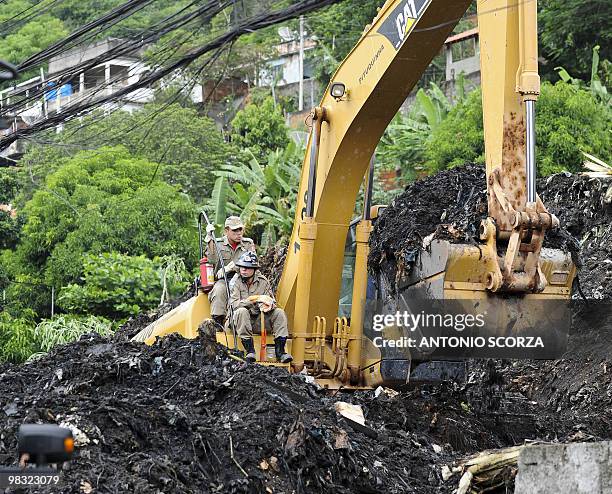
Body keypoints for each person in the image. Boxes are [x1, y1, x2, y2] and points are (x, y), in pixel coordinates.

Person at [229, 251, 292, 364]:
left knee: (279, 313)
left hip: (259, 320)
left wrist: (269, 305)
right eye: (242, 267)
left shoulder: (263, 282)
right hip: (239, 322)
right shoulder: (235, 282)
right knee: (241, 311)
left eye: (247, 267)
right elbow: (234, 305)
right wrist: (254, 299)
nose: (243, 270)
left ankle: (280, 352)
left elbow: (271, 301)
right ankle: (250, 351)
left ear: (254, 269)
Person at [205, 216, 255, 327]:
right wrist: (209, 239)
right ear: (226, 231)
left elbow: (253, 263)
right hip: (224, 280)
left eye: (240, 229)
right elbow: (211, 260)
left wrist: (234, 267)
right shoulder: (218, 244)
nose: (239, 233)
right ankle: (218, 322)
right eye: (235, 230)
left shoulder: (248, 244)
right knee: (219, 290)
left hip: (243, 279)